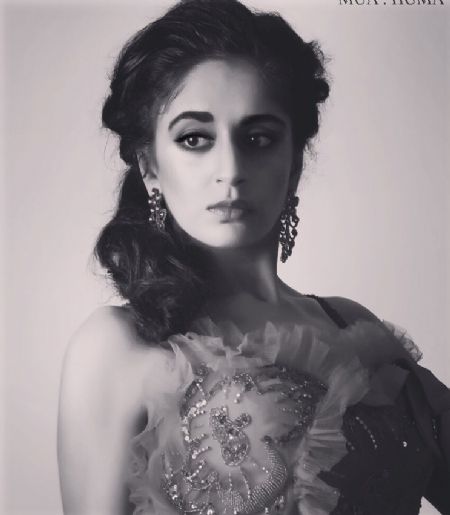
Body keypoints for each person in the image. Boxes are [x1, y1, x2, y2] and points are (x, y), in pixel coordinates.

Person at [57, 1, 450, 514]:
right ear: (150, 166)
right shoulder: (118, 346)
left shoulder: (355, 329)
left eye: (258, 138)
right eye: (194, 139)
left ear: (294, 161)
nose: (231, 169)